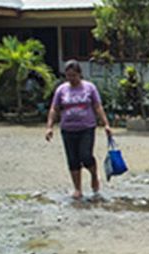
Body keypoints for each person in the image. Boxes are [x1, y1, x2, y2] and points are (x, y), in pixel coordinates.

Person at [45, 60, 112, 200]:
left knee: (85, 155)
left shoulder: (89, 88)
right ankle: (77, 188)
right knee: (73, 159)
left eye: (74, 75)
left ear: (80, 74)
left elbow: (97, 106)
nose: (71, 79)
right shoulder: (61, 90)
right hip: (68, 129)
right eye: (68, 76)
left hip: (86, 128)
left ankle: (94, 175)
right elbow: (54, 108)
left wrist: (106, 124)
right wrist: (49, 127)